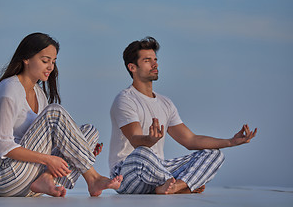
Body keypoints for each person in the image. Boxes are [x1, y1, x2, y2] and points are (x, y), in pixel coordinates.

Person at [0, 32, 122, 197]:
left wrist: (80, 152)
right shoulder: (9, 89)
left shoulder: (39, 95)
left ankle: (47, 179)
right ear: (26, 59)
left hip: (30, 184)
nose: (50, 67)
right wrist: (49, 160)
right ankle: (92, 178)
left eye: (53, 61)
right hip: (4, 177)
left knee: (89, 132)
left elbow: (43, 143)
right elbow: (3, 146)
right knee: (54, 113)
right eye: (45, 60)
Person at [109, 36, 257, 195]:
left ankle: (175, 187)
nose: (155, 64)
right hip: (127, 173)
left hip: (158, 170)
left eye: (155, 59)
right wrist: (150, 140)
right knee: (143, 153)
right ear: (132, 67)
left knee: (214, 153)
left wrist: (230, 141)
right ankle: (183, 185)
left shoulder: (166, 103)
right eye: (147, 60)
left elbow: (190, 140)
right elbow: (135, 139)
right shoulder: (125, 99)